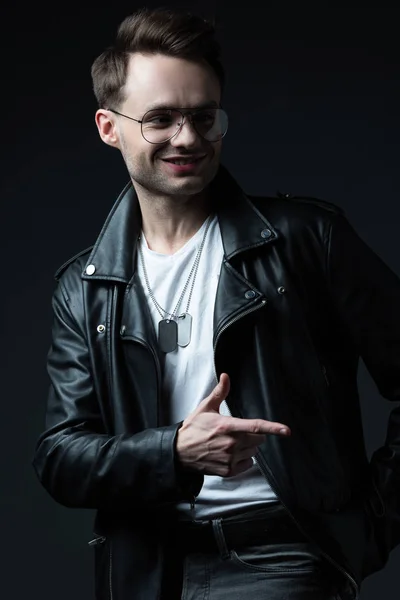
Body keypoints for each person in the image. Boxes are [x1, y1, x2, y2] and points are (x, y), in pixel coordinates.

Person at [32, 6, 400, 600]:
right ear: (109, 127)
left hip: (281, 559)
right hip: (146, 570)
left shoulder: (303, 240)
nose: (188, 138)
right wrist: (173, 449)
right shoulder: (86, 285)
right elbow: (60, 457)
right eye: (161, 119)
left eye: (204, 117)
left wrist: (373, 523)